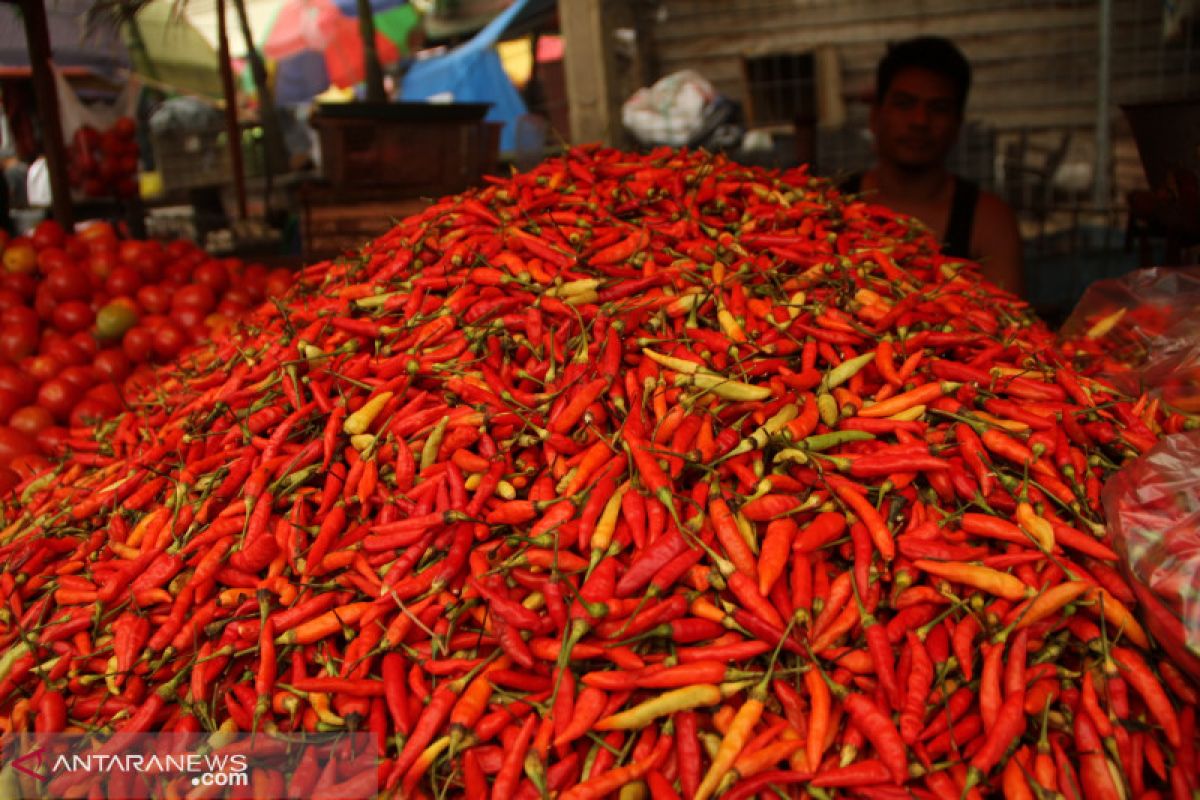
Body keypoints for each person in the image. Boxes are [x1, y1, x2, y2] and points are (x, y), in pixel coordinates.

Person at [843, 36, 1024, 295]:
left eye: (938, 108)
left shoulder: (990, 221)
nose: (920, 120)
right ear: (875, 116)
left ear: (957, 124)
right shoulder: (833, 203)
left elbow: (1010, 328)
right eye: (904, 104)